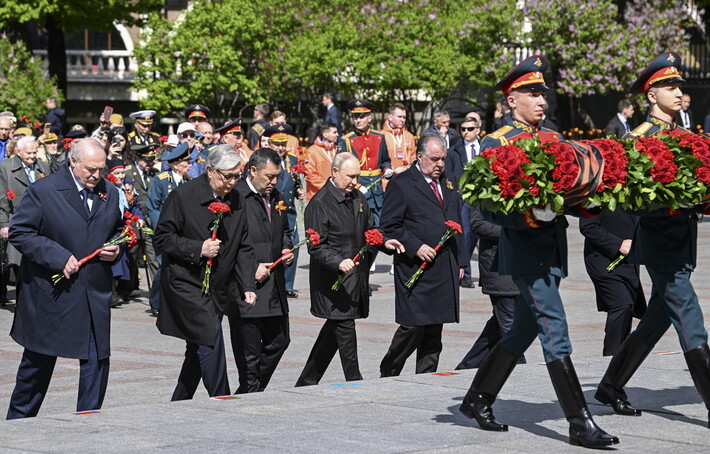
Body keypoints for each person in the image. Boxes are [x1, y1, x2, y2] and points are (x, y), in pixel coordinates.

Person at [457, 55, 618, 448]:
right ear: (512, 100)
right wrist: (532, 211)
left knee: (524, 329)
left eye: (542, 92)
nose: (541, 100)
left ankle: (478, 398)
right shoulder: (496, 143)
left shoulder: (554, 139)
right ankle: (579, 422)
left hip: (552, 249)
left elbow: (573, 191)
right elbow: (487, 203)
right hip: (524, 250)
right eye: (531, 93)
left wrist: (595, 196)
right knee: (554, 330)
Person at [596, 52, 710, 428]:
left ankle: (611, 384)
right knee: (690, 318)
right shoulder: (638, 139)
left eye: (680, 86)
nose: (679, 92)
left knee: (658, 317)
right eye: (669, 86)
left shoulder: (686, 137)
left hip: (683, 240)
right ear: (650, 95)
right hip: (660, 242)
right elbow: (630, 198)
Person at [6, 139, 122, 419]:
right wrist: (57, 256)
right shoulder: (44, 191)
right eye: (90, 169)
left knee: (97, 360)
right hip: (52, 294)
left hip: (93, 292)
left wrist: (116, 249)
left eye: (101, 169)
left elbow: (118, 230)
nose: (96, 175)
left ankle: (87, 420)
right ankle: (19, 421)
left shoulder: (111, 192)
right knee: (38, 363)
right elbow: (21, 232)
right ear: (73, 162)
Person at [155, 144, 257, 401]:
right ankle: (222, 397)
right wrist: (197, 248)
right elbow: (163, 238)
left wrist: (247, 284)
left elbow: (244, 245)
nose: (233, 182)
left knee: (199, 344)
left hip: (216, 285)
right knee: (210, 335)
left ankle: (179, 400)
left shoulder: (237, 198)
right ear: (210, 170)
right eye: (228, 176)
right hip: (185, 281)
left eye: (237, 175)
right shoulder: (183, 195)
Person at [296, 153, 403, 386]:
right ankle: (355, 380)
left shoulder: (357, 197)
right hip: (333, 280)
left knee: (333, 331)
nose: (355, 181)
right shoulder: (320, 203)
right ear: (334, 173)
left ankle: (306, 381)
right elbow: (316, 246)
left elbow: (370, 229)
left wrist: (384, 242)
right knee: (344, 326)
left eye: (358, 176)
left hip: (355, 278)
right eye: (350, 176)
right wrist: (337, 262)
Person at [379, 134, 464, 377]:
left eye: (443, 160)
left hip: (444, 265)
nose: (440, 165)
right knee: (413, 325)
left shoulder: (449, 181)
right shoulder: (402, 183)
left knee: (435, 327)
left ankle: (427, 375)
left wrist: (462, 260)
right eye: (435, 159)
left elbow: (457, 222)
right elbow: (390, 226)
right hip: (416, 267)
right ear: (420, 157)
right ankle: (390, 369)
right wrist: (415, 246)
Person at [231, 148, 292, 393]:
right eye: (269, 176)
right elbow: (228, 242)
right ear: (253, 170)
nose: (274, 182)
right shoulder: (236, 197)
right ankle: (250, 390)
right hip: (248, 285)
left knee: (280, 341)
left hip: (274, 283)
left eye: (277, 176)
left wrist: (287, 248)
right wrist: (250, 267)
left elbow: (285, 231)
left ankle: (250, 390)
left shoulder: (276, 196)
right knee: (250, 352)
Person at [455, 206, 526, 369]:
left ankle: (467, 365)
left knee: (499, 322)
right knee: (509, 320)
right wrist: (515, 230)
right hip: (498, 266)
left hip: (522, 266)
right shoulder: (484, 187)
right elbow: (479, 225)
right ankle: (521, 366)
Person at [579, 210, 646, 356]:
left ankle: (620, 357)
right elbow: (587, 226)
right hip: (602, 260)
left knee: (627, 309)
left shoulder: (636, 190)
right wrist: (618, 244)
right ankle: (610, 357)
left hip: (629, 262)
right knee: (621, 305)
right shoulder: (598, 190)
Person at [0, 136, 51, 306]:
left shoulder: (43, 167)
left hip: (40, 224)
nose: (32, 156)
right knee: (18, 263)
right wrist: (4, 224)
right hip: (17, 222)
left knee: (38, 261)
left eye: (35, 152)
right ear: (18, 151)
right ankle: (23, 299)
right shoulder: (5, 167)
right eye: (28, 153)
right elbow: (1, 199)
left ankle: (34, 299)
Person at [146, 143, 192, 316]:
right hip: (165, 232)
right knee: (163, 265)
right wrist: (163, 230)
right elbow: (152, 207)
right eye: (186, 162)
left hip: (183, 233)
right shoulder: (161, 180)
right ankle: (156, 302)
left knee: (179, 268)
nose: (190, 165)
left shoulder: (188, 181)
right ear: (175, 164)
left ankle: (175, 302)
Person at [337, 99, 392, 225]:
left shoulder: (379, 137)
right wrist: (356, 185)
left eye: (362, 117)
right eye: (355, 117)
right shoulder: (346, 140)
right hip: (358, 187)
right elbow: (341, 168)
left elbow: (384, 160)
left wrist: (387, 168)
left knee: (379, 224)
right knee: (361, 224)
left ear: (369, 118)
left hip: (377, 189)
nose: (358, 120)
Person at [265, 124, 303, 298]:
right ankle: (275, 283)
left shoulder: (293, 160)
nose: (280, 148)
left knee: (293, 246)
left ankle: (288, 285)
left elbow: (293, 182)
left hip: (290, 212)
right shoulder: (264, 160)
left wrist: (298, 190)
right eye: (277, 144)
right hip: (272, 210)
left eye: (283, 144)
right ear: (270, 144)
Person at [446, 115, 482, 288]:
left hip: (484, 199)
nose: (466, 132)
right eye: (463, 129)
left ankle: (487, 274)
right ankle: (465, 274)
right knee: (465, 236)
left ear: (478, 130)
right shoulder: (454, 151)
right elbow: (450, 176)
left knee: (485, 237)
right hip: (465, 199)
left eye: (470, 129)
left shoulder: (486, 147)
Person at [380, 102, 416, 190]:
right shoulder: (381, 136)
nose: (402, 120)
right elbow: (379, 161)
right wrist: (393, 170)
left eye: (404, 117)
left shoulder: (409, 136)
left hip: (407, 181)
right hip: (388, 182)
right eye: (399, 117)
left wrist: (408, 167)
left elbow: (413, 158)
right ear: (390, 117)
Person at [304, 122, 338, 201]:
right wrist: (329, 186)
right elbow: (310, 175)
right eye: (334, 132)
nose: (337, 134)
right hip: (317, 196)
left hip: (336, 195)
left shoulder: (337, 149)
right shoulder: (312, 151)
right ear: (325, 135)